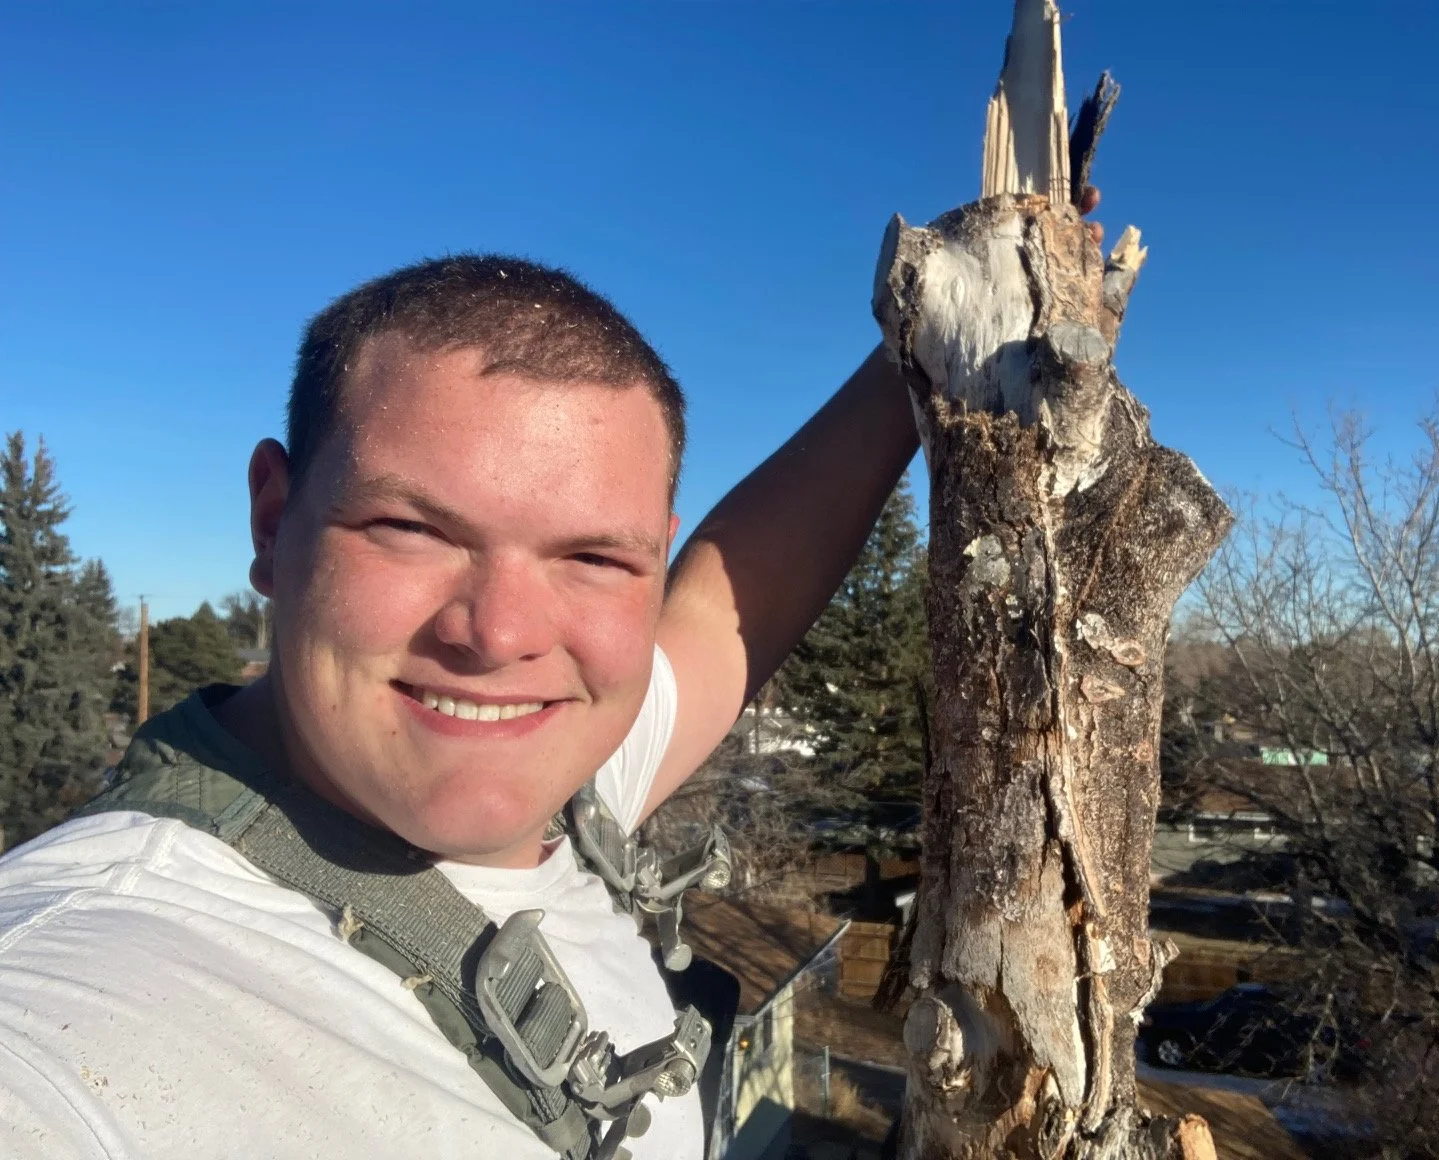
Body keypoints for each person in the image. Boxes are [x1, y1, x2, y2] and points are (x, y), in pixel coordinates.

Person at [0, 255, 920, 1160]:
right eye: (411, 530)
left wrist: (924, 341)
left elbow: (722, 611)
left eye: (596, 558)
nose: (501, 635)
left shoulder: (567, 784)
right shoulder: (74, 992)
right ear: (274, 523)